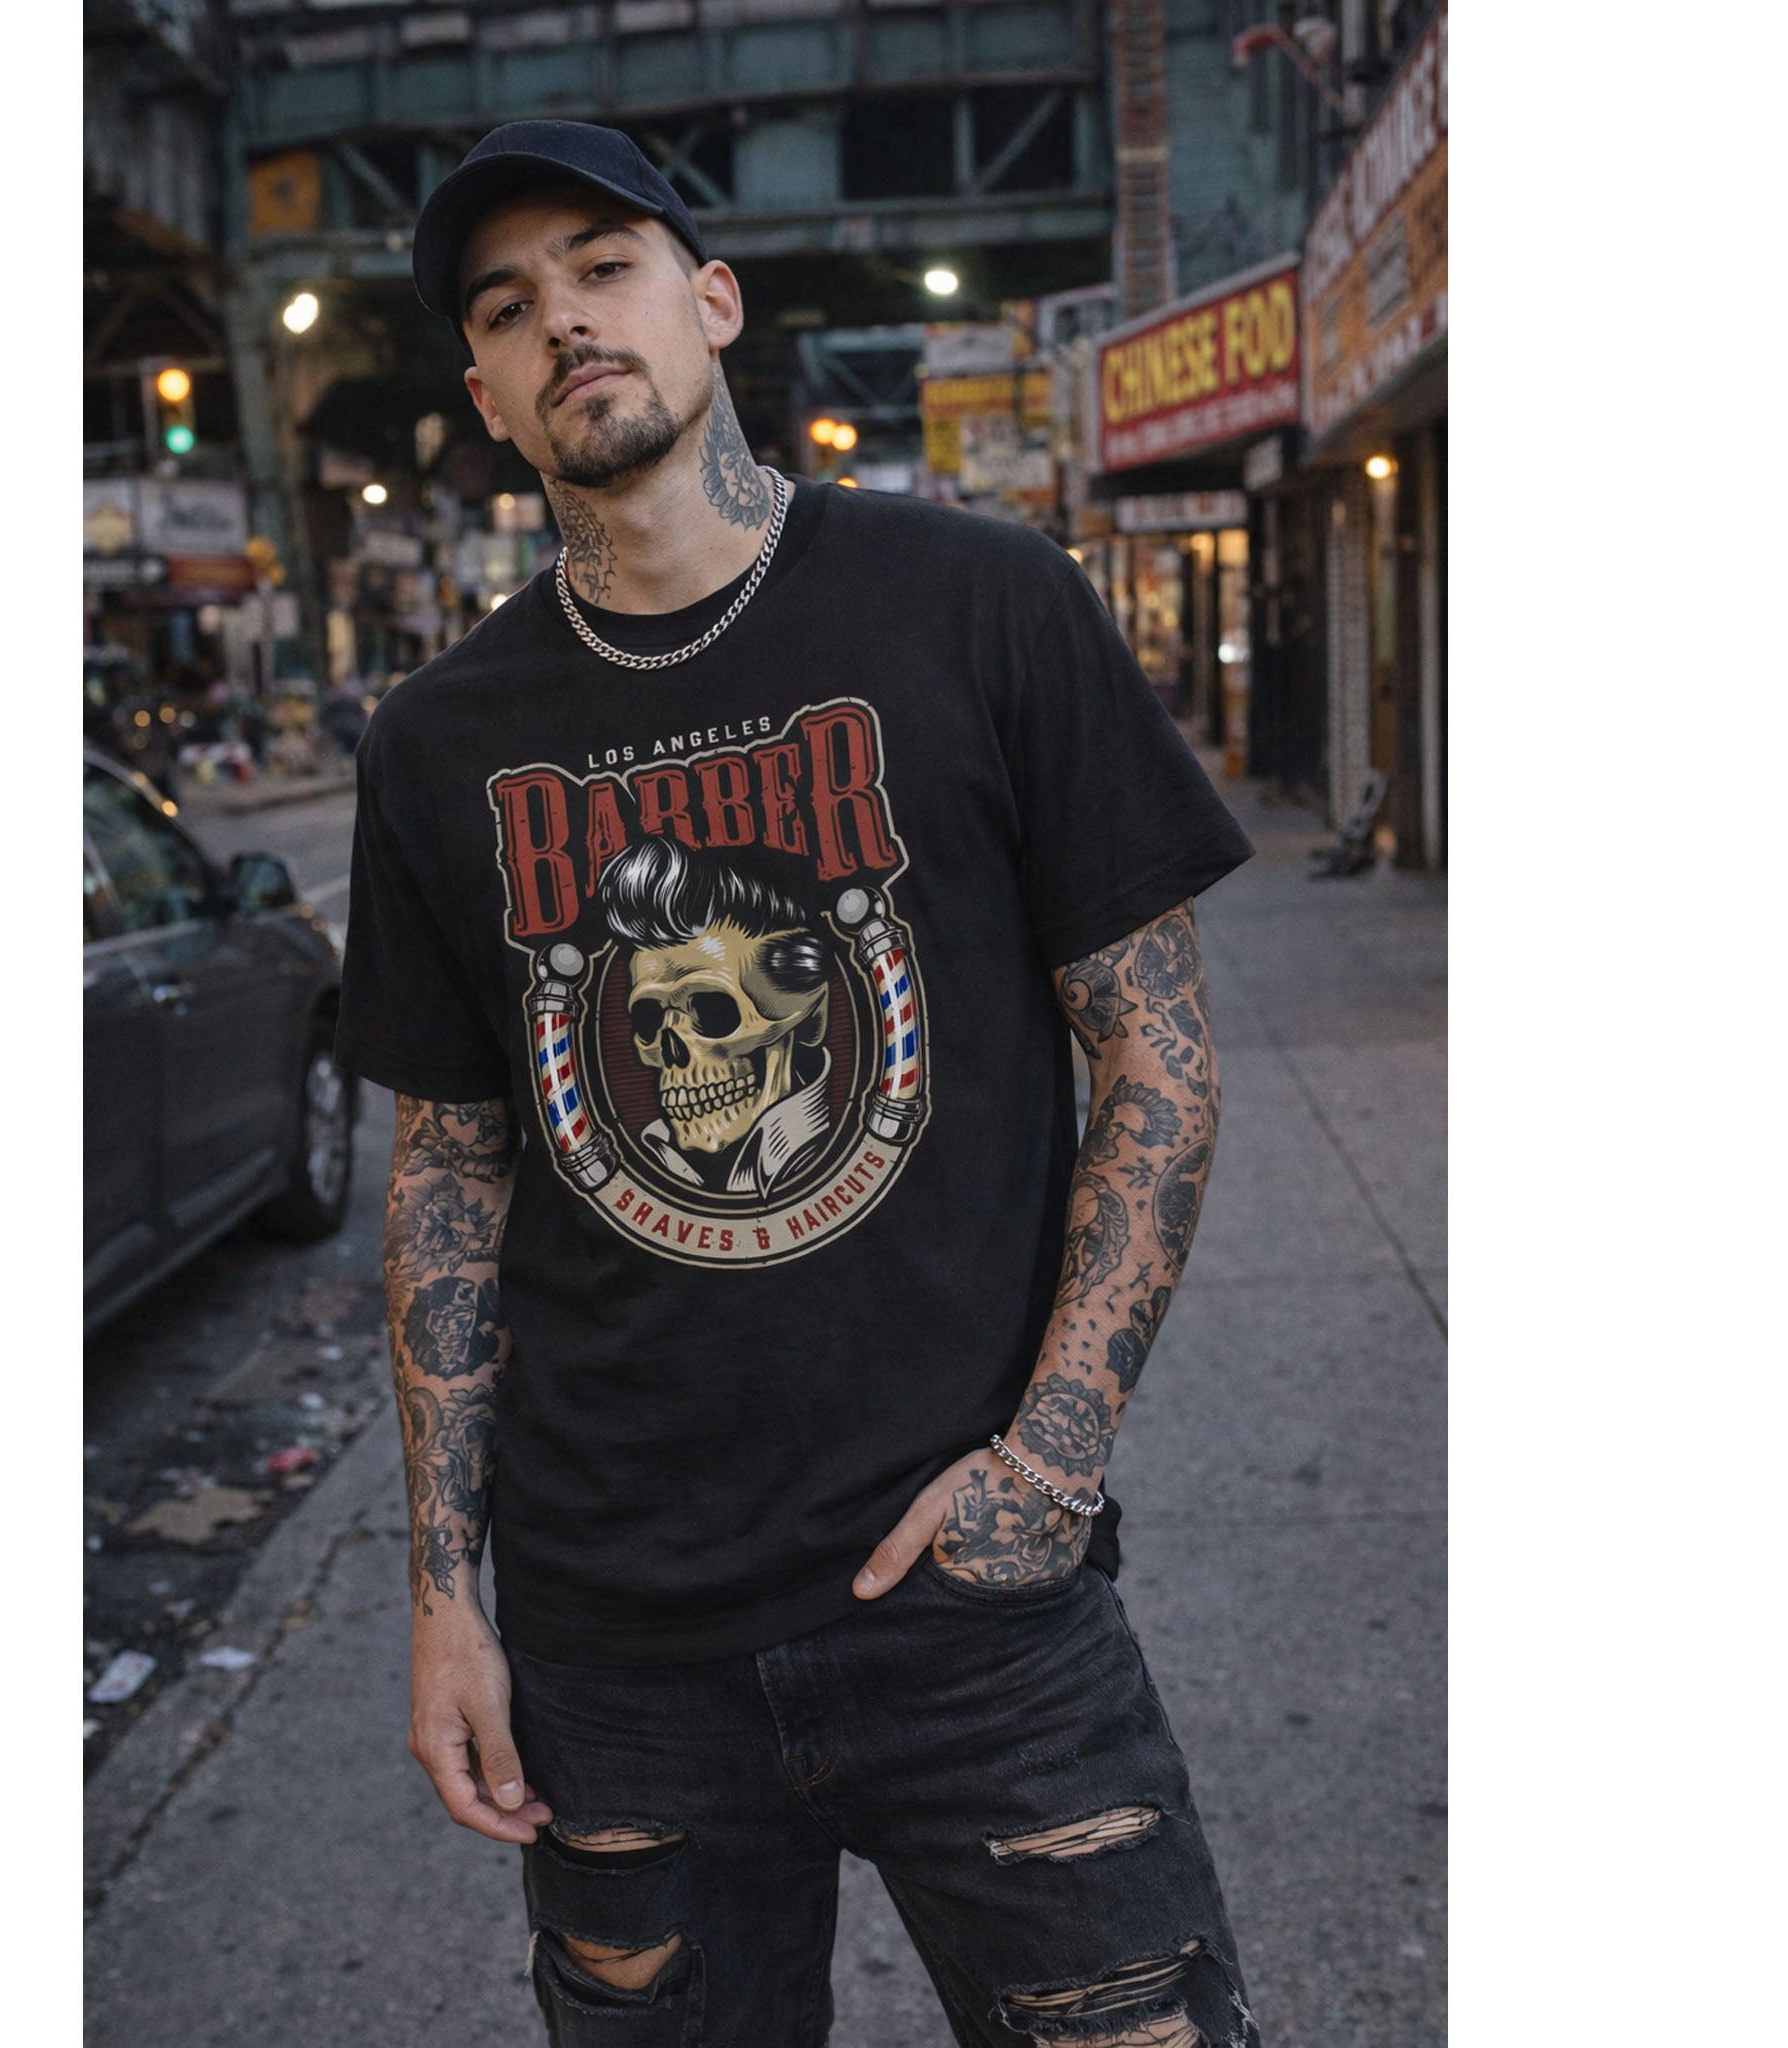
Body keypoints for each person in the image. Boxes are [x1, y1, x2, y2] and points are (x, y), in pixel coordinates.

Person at [336, 119, 1261, 2048]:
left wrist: (1055, 1459)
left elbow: (1155, 1062)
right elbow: (446, 1173)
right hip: (613, 1647)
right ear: (493, 400)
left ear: (713, 300)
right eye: (507, 309)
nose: (563, 321)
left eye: (604, 267)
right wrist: (445, 1594)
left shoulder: (982, 603)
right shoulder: (438, 743)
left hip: (974, 1614)